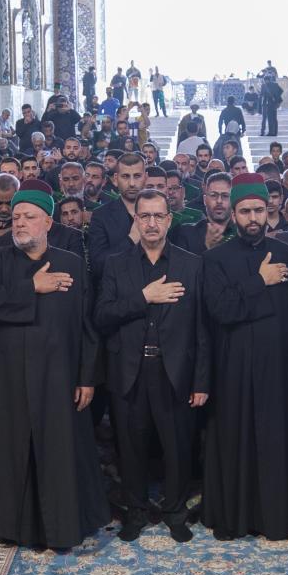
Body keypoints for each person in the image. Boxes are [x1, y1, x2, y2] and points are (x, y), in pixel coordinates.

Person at [0, 182, 104, 549]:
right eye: (16, 217)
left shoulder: (71, 263)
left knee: (59, 454)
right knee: (10, 452)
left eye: (29, 217)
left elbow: (87, 325)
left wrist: (87, 377)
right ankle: (11, 527)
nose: (19, 223)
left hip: (59, 377)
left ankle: (62, 527)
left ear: (48, 222)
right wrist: (32, 287)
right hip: (8, 378)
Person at [93, 186, 208, 541]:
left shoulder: (192, 264)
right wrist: (144, 297)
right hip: (129, 371)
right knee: (130, 448)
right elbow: (102, 316)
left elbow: (202, 329)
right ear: (136, 220)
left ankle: (175, 512)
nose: (152, 223)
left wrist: (201, 381)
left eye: (159, 215)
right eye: (145, 216)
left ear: (169, 220)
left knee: (177, 447)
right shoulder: (116, 264)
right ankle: (136, 511)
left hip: (175, 372)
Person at [200, 180, 288, 539]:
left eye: (258, 210)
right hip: (235, 367)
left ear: (268, 210)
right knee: (236, 441)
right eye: (245, 211)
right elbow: (221, 310)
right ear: (234, 215)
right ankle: (235, 518)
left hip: (278, 368)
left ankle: (276, 517)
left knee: (275, 441)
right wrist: (259, 281)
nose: (253, 217)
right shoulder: (215, 258)